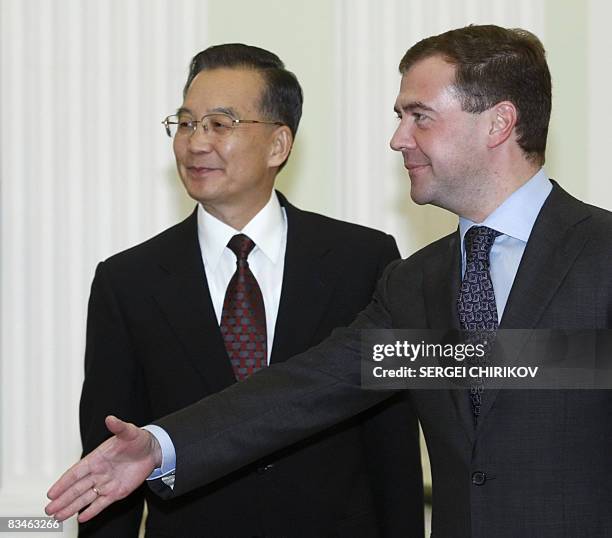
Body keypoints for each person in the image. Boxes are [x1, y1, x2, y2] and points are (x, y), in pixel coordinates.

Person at [47, 25, 612, 538]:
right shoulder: (417, 283)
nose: (398, 139)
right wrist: (162, 445)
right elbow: (309, 387)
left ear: (499, 123)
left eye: (420, 116)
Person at [74, 44, 423, 538]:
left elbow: (393, 444)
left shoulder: (362, 260)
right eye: (186, 123)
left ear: (279, 144)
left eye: (220, 124)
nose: (196, 143)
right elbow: (108, 466)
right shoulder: (128, 281)